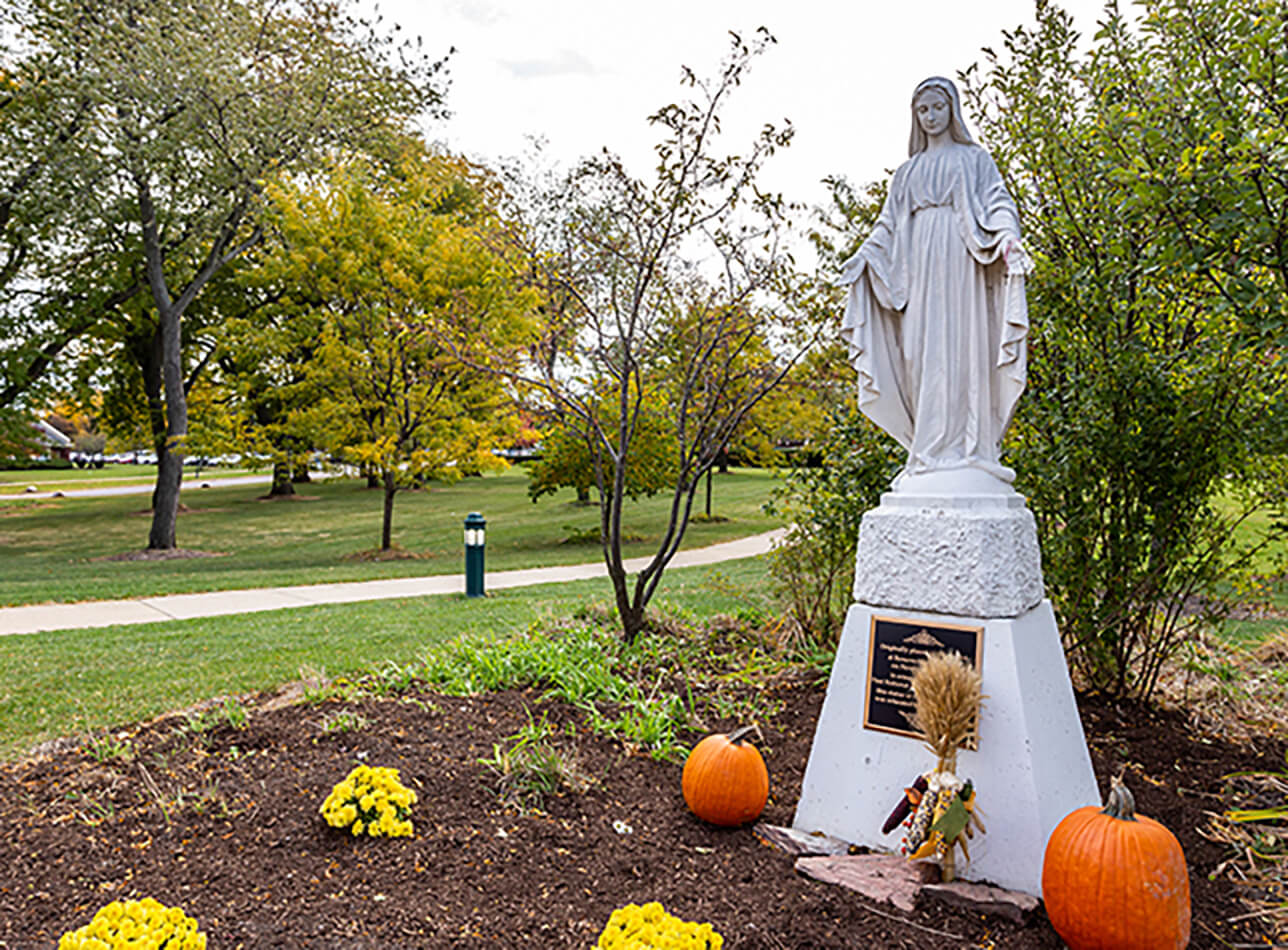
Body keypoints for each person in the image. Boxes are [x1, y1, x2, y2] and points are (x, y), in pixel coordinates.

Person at [840, 76, 1031, 489]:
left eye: (936, 107)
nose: (930, 116)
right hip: (918, 271)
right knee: (920, 355)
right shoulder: (907, 173)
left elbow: (998, 201)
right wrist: (864, 257)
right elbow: (887, 226)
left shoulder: (975, 159)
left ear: (952, 110)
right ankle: (928, 450)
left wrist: (1007, 238)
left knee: (963, 350)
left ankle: (969, 448)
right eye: (922, 110)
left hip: (962, 263)